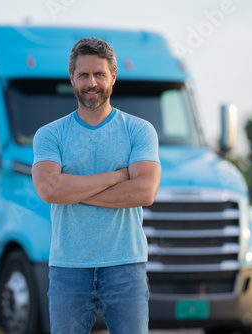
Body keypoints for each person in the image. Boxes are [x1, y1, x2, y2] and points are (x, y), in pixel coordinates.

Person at [32, 36, 161, 334]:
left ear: (113, 77)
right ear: (72, 78)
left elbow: (145, 192)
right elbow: (50, 191)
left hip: (126, 266)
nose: (92, 83)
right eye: (84, 75)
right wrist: (117, 176)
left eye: (100, 74)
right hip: (68, 269)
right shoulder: (50, 135)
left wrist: (71, 190)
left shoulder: (139, 131)